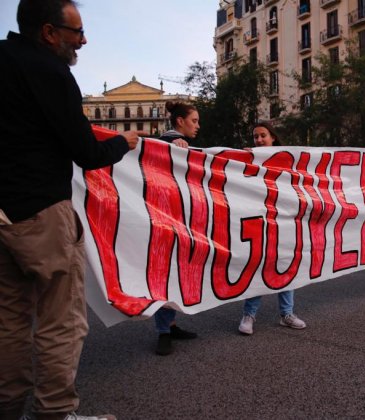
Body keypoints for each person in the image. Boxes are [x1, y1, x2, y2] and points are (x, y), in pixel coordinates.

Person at [0, 1, 144, 419]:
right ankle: (54, 412)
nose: (83, 40)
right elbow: (86, 152)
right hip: (41, 211)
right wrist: (124, 143)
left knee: (9, 320)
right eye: (76, 32)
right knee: (60, 320)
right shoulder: (51, 73)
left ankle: (7, 407)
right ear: (48, 32)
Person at [238, 121, 307, 335]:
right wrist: (242, 159)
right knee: (258, 265)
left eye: (263, 136)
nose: (259, 140)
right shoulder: (248, 160)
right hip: (259, 221)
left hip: (284, 222)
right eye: (255, 136)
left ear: (273, 137)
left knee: (286, 265)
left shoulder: (287, 160)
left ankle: (287, 313)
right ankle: (249, 315)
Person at [153, 101, 200, 356]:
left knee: (174, 275)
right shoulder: (169, 144)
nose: (198, 126)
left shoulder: (179, 145)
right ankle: (163, 331)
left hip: (178, 221)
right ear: (180, 122)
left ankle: (169, 324)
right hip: (165, 222)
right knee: (165, 276)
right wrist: (173, 148)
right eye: (194, 121)